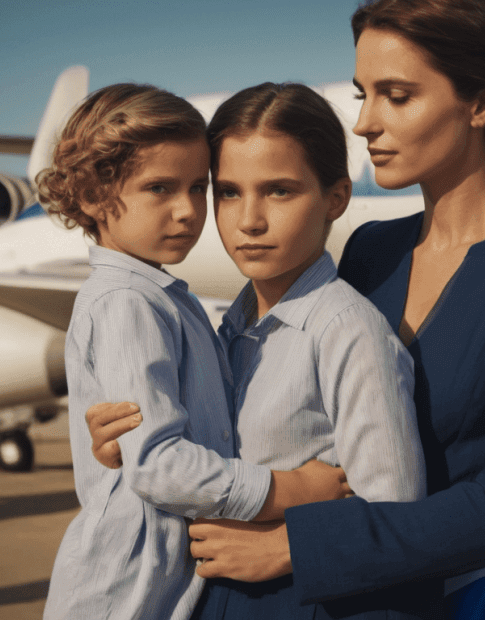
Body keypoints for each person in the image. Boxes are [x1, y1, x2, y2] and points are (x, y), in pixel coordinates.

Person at [89, 81, 433, 619]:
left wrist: (288, 542)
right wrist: (130, 443)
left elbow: (393, 512)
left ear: (335, 198)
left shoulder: (347, 331)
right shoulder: (232, 325)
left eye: (279, 191)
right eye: (227, 192)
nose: (249, 219)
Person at [37, 83, 352, 620]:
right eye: (160, 188)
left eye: (198, 188)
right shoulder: (127, 303)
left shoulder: (159, 296)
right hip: (126, 593)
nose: (187, 211)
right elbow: (159, 466)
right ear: (91, 197)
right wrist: (290, 489)